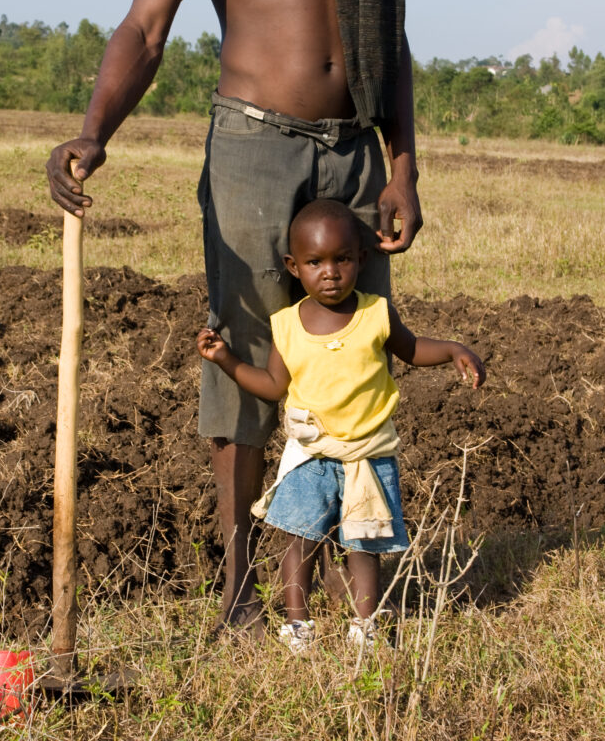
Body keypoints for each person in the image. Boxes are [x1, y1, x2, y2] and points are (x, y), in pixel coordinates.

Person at [46, 0, 423, 635]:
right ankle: (240, 592)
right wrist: (96, 129)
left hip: (351, 150)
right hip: (254, 149)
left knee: (352, 359)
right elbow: (145, 25)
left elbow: (392, 34)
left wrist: (403, 165)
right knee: (250, 361)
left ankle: (348, 584)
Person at [197, 199, 486, 652]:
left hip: (368, 454)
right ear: (294, 266)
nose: (330, 272)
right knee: (300, 539)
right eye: (315, 262)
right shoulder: (288, 325)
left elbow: (410, 350)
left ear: (361, 260)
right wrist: (226, 359)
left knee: (364, 544)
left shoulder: (376, 313)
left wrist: (451, 349)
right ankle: (298, 625)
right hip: (311, 454)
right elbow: (274, 386)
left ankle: (367, 624)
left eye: (342, 259)